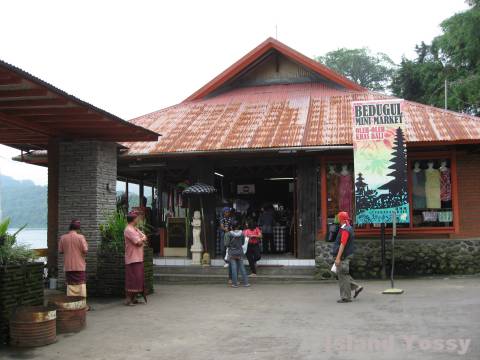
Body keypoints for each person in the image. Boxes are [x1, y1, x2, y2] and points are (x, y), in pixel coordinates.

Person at [331, 211, 363, 303]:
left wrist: (338, 258)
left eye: (338, 218)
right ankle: (357, 287)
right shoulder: (348, 227)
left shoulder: (345, 230)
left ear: (340, 219)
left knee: (342, 276)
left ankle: (346, 297)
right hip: (346, 254)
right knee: (343, 274)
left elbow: (343, 244)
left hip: (343, 256)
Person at [58, 219, 88, 298]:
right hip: (79, 265)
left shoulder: (63, 238)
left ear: (70, 227)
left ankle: (72, 302)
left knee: (70, 285)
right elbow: (85, 250)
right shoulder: (81, 237)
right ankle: (82, 304)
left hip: (68, 266)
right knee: (81, 284)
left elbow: (60, 251)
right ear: (78, 228)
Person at [124, 211, 148, 306]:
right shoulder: (128, 230)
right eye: (137, 218)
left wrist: (143, 238)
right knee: (132, 279)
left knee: (138, 279)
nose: (138, 219)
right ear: (133, 220)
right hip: (132, 258)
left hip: (138, 257)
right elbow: (138, 242)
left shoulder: (135, 229)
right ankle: (129, 299)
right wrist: (143, 239)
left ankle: (133, 298)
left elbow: (143, 237)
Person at [224, 220, 250, 288]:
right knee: (242, 267)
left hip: (232, 252)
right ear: (238, 226)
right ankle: (246, 283)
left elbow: (226, 244)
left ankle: (235, 284)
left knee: (234, 268)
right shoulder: (242, 233)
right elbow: (243, 243)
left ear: (231, 226)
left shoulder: (228, 234)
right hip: (239, 252)